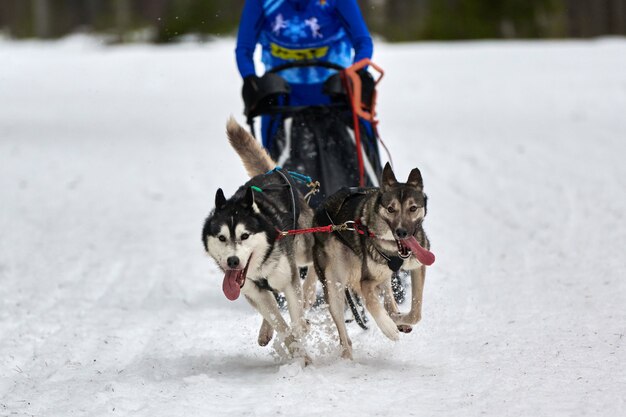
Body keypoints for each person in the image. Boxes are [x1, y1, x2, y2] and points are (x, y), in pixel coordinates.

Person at [235, 0, 382, 208]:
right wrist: (250, 79)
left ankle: (375, 207)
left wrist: (356, 72)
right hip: (283, 100)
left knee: (363, 160)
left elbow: (362, 42)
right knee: (271, 173)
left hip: (336, 96)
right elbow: (244, 48)